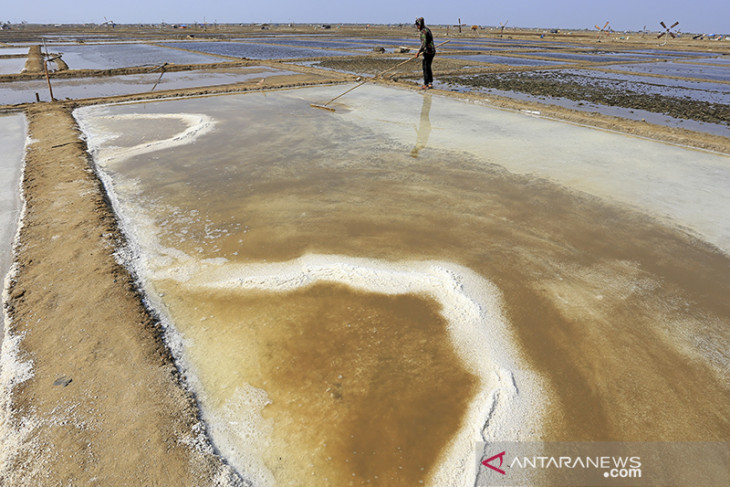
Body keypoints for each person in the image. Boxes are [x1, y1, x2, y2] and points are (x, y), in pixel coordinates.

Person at [414, 17, 435, 90]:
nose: (417, 27)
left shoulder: (423, 32)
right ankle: (430, 83)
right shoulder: (427, 29)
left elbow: (423, 44)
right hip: (432, 51)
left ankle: (426, 84)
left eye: (417, 25)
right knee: (428, 67)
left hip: (428, 52)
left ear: (420, 25)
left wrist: (418, 52)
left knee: (425, 67)